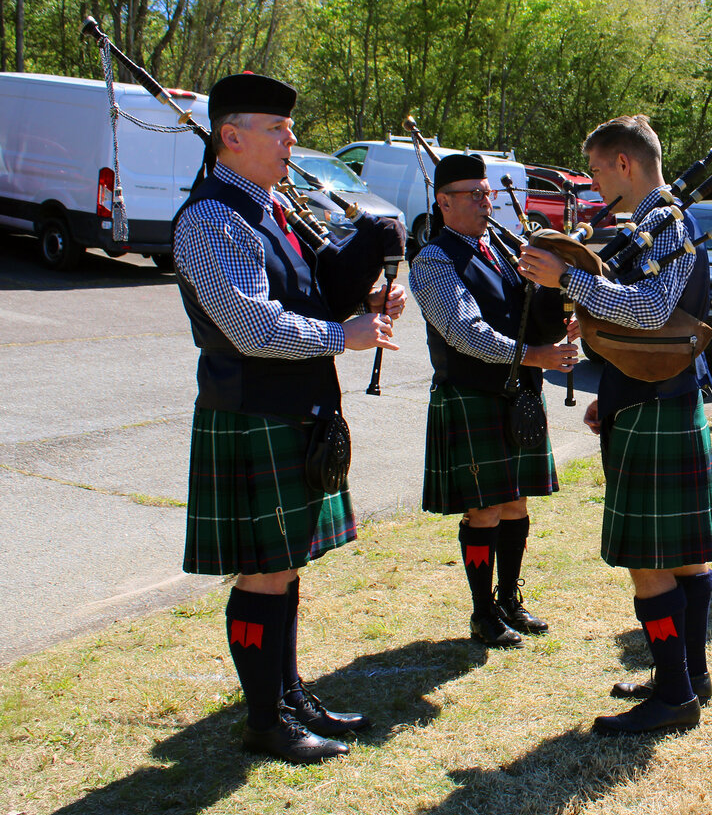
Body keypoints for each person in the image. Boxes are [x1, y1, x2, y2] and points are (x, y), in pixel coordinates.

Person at [173, 73, 406, 763]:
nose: (291, 139)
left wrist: (362, 301)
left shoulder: (269, 209)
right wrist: (347, 337)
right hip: (252, 412)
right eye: (276, 129)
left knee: (285, 566)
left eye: (289, 127)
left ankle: (289, 694)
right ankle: (264, 721)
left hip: (294, 410)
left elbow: (303, 295)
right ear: (231, 136)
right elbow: (249, 326)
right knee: (264, 571)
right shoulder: (210, 218)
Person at [518, 115, 712, 735]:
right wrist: (602, 339)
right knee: (682, 554)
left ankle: (675, 696)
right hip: (652, 397)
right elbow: (639, 316)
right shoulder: (656, 223)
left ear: (625, 165)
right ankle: (686, 674)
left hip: (657, 405)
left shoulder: (667, 222)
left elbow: (654, 310)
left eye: (599, 169)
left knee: (650, 557)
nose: (596, 182)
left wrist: (568, 280)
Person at [410, 153, 579, 649]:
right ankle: (483, 613)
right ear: (444, 202)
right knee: (483, 509)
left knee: (515, 501)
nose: (488, 203)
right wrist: (536, 355)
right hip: (473, 395)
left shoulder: (501, 249)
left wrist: (561, 319)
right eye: (475, 195)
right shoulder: (435, 259)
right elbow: (465, 333)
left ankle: (509, 600)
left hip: (517, 394)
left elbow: (526, 308)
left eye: (488, 194)